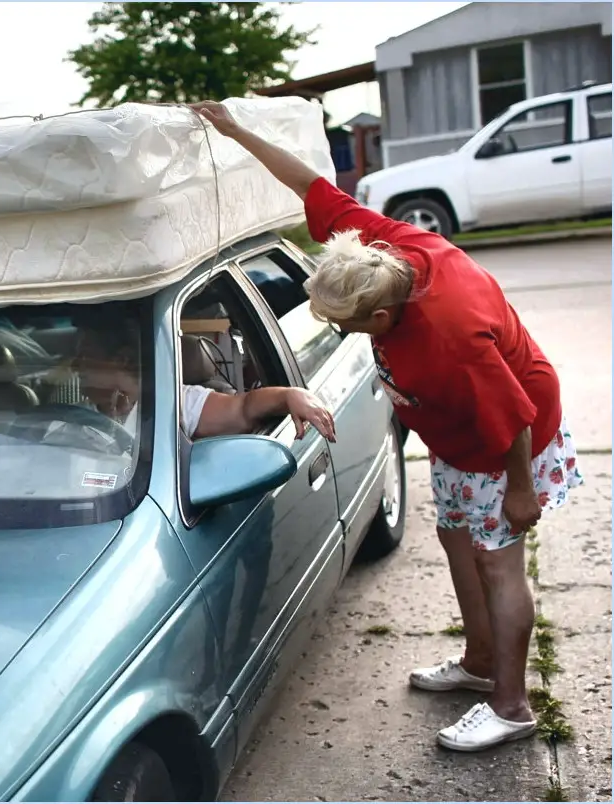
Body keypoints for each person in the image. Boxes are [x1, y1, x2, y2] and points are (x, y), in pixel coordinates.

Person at [188, 100, 582, 752]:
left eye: (348, 326)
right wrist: (235, 130)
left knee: (499, 565)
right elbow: (308, 184)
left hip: (507, 441)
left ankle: (513, 706)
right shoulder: (377, 250)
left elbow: (514, 412)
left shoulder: (451, 335)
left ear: (385, 313)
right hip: (458, 439)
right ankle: (480, 663)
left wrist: (520, 491)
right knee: (457, 540)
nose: (342, 334)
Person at [72, 310, 337, 443]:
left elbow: (243, 409)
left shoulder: (175, 404)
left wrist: (290, 395)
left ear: (122, 360)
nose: (74, 366)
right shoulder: (71, 412)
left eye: (84, 357)